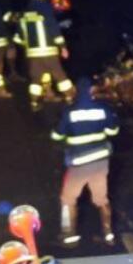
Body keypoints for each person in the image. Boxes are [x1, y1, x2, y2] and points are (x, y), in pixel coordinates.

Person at [51, 78, 120, 246]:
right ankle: (108, 234)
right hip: (100, 162)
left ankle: (69, 236)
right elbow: (113, 130)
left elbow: (57, 135)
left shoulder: (70, 111)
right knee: (101, 199)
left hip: (79, 164)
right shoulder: (103, 109)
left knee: (68, 200)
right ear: (92, 91)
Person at [15, 0, 76, 109]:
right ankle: (70, 98)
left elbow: (18, 38)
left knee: (36, 79)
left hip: (32, 54)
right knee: (60, 76)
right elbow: (55, 32)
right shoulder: (46, 13)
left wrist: (30, 47)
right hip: (48, 52)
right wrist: (63, 47)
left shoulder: (25, 15)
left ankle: (34, 102)